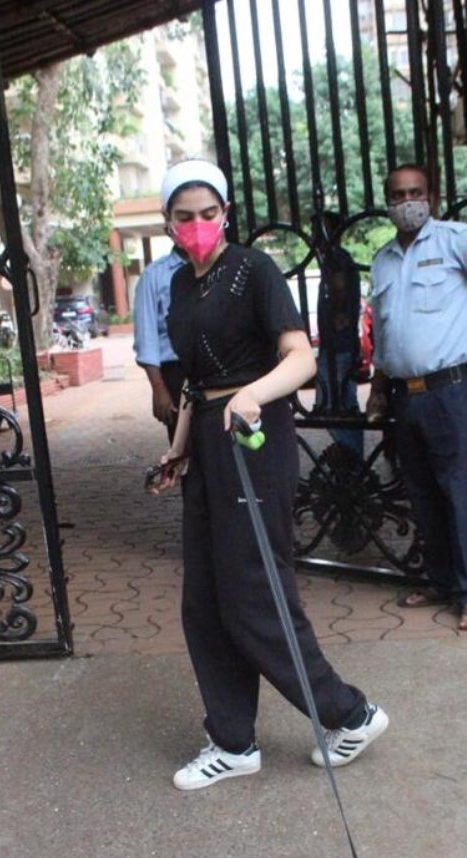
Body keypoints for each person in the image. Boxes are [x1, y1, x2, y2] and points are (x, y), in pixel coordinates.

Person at [150, 158, 389, 791]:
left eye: (208, 213)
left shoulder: (254, 270)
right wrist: (178, 448)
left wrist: (253, 394)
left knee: (254, 592)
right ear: (168, 221)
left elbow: (300, 358)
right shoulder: (179, 285)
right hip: (208, 436)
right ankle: (232, 741)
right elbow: (196, 384)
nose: (197, 225)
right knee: (203, 601)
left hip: (255, 435)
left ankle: (350, 714)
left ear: (224, 213)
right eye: (184, 216)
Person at [367, 164, 467, 632]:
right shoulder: (383, 258)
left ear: (430, 195)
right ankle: (440, 579)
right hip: (404, 395)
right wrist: (377, 387)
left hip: (452, 391)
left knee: (463, 492)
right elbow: (386, 331)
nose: (407, 202)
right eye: (398, 194)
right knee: (423, 492)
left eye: (415, 192)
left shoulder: (456, 240)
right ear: (388, 201)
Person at [314, 211, 363, 458]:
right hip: (338, 345)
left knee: (334, 403)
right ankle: (350, 456)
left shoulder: (336, 259)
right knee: (340, 402)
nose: (315, 237)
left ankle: (350, 456)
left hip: (339, 346)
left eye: (320, 230)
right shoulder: (337, 259)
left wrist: (338, 315)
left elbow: (340, 287)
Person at [133, 245, 186, 444]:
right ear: (169, 227)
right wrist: (158, 388)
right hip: (176, 374)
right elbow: (147, 339)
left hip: (220, 372)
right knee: (184, 452)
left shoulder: (223, 267)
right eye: (184, 218)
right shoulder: (153, 275)